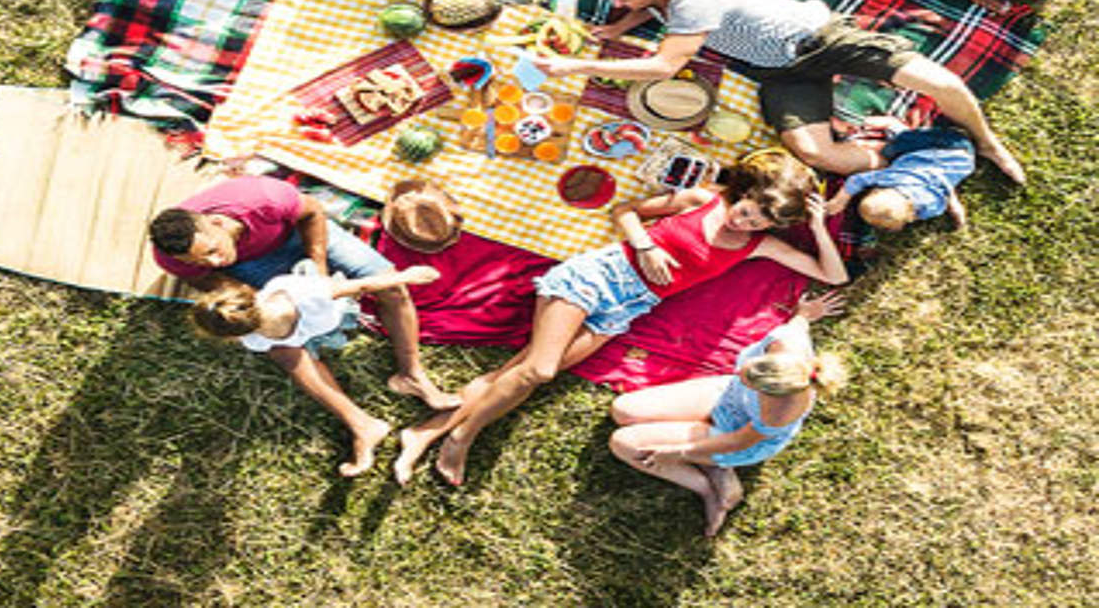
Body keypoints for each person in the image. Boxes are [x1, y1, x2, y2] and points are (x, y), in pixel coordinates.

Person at [393, 150, 849, 487]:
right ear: (743, 192)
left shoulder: (758, 245)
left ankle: (424, 433)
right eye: (749, 209)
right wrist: (646, 245)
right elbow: (624, 211)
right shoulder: (699, 199)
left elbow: (834, 274)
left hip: (629, 306)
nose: (746, 222)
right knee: (540, 369)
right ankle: (462, 439)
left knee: (516, 370)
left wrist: (813, 229)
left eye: (761, 221)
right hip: (598, 276)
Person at [529, 0, 1024, 184]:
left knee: (943, 83)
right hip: (778, 71)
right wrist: (618, 29)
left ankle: (986, 141)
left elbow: (662, 67)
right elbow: (649, 4)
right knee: (818, 155)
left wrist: (571, 70)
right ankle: (913, 153)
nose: (623, 6)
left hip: (819, 39)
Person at [149, 175, 458, 411]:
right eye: (199, 260)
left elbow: (312, 214)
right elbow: (215, 282)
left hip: (297, 236)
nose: (215, 261)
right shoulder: (170, 257)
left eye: (213, 250)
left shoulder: (260, 198)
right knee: (277, 341)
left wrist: (318, 271)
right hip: (253, 268)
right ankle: (359, 422)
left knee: (392, 285)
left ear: (216, 222)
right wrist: (269, 302)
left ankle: (411, 374)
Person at [607, 289, 847, 537]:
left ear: (771, 394)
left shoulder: (781, 411)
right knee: (623, 410)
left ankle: (706, 488)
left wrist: (677, 453)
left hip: (736, 437)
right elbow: (797, 325)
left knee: (624, 443)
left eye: (749, 382)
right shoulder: (786, 341)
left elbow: (737, 441)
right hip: (728, 396)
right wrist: (805, 315)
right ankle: (712, 466)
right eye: (747, 370)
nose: (740, 372)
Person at [191, 262, 442, 476]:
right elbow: (362, 286)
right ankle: (363, 425)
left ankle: (365, 423)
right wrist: (407, 276)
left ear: (232, 337)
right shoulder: (258, 338)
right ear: (246, 293)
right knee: (287, 358)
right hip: (317, 329)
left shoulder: (300, 294)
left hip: (336, 313)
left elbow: (359, 287)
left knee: (287, 351)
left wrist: (405, 277)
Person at [825, 123, 975, 230]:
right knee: (889, 151)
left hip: (964, 158)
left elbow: (945, 192)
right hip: (946, 145)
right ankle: (895, 128)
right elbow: (856, 180)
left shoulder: (931, 207)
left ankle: (896, 127)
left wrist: (955, 208)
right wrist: (841, 200)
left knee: (889, 152)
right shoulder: (889, 177)